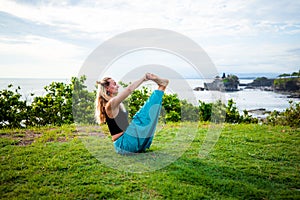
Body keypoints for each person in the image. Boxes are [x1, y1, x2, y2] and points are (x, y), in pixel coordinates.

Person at [95, 73, 169, 154]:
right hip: (125, 144)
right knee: (142, 116)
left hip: (127, 143)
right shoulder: (111, 104)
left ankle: (162, 86)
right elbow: (129, 90)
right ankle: (162, 86)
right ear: (107, 88)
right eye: (114, 84)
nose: (118, 86)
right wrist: (143, 79)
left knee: (145, 116)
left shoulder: (114, 103)